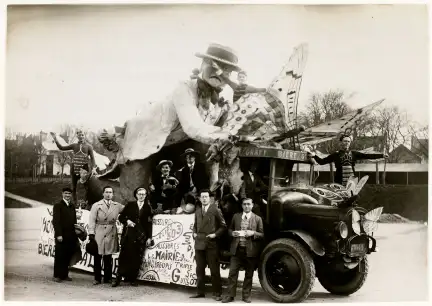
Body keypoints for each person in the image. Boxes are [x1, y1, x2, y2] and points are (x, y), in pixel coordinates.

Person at [98, 43, 241, 176]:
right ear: (202, 64)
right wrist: (227, 137)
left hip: (179, 146)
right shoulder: (184, 89)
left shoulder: (225, 102)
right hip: (147, 144)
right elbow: (193, 127)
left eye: (226, 70)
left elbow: (230, 125)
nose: (219, 72)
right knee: (136, 191)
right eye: (213, 65)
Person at [222, 198, 264, 303]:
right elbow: (229, 230)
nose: (246, 206)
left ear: (252, 205)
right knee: (232, 273)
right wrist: (232, 233)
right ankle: (230, 296)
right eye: (244, 204)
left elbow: (262, 235)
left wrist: (253, 233)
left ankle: (246, 296)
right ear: (242, 205)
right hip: (236, 250)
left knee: (249, 274)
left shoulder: (257, 219)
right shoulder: (236, 216)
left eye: (248, 204)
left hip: (250, 251)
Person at [308, 135, 389, 186]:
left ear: (350, 143)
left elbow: (367, 156)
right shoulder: (336, 154)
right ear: (341, 142)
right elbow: (322, 162)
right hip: (339, 180)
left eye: (348, 141)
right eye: (345, 141)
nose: (346, 143)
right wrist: (314, 156)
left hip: (352, 180)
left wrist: (381, 155)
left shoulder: (354, 153)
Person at [191, 189, 227, 301]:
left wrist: (215, 235)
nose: (204, 199)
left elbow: (223, 226)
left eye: (206, 196)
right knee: (199, 269)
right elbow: (195, 225)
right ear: (199, 198)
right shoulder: (197, 211)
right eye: (202, 197)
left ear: (210, 198)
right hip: (199, 243)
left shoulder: (215, 209)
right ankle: (200, 292)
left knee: (214, 269)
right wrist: (194, 232)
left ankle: (217, 292)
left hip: (211, 243)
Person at [113, 187, 153, 287]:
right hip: (129, 234)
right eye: (139, 194)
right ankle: (118, 279)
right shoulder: (130, 205)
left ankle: (132, 279)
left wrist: (149, 237)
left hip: (140, 235)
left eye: (143, 194)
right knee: (124, 256)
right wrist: (127, 222)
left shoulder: (148, 207)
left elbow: (149, 224)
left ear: (146, 195)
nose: (141, 196)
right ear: (136, 195)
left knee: (136, 257)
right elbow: (121, 217)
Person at [88, 186, 124, 285]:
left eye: (110, 192)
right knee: (98, 255)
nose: (108, 194)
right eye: (106, 192)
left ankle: (107, 278)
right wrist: (91, 233)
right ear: (103, 194)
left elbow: (128, 210)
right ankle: (97, 278)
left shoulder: (117, 205)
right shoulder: (96, 205)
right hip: (99, 230)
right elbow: (92, 220)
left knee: (108, 256)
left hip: (111, 232)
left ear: (113, 194)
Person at [50, 130, 97, 204]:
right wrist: (55, 139)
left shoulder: (89, 146)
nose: (81, 136)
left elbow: (92, 158)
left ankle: (86, 202)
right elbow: (61, 148)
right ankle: (75, 203)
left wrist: (94, 168)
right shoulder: (74, 145)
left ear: (84, 135)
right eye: (79, 135)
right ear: (77, 136)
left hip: (84, 170)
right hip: (74, 169)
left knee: (87, 188)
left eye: (82, 135)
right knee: (73, 187)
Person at [52, 187, 79, 282]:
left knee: (68, 255)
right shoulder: (58, 205)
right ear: (62, 194)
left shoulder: (72, 206)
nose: (67, 195)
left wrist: (77, 232)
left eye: (69, 194)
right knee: (60, 255)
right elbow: (56, 221)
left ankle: (64, 275)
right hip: (61, 235)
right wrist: (59, 234)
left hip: (71, 235)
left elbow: (74, 221)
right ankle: (57, 275)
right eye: (66, 193)